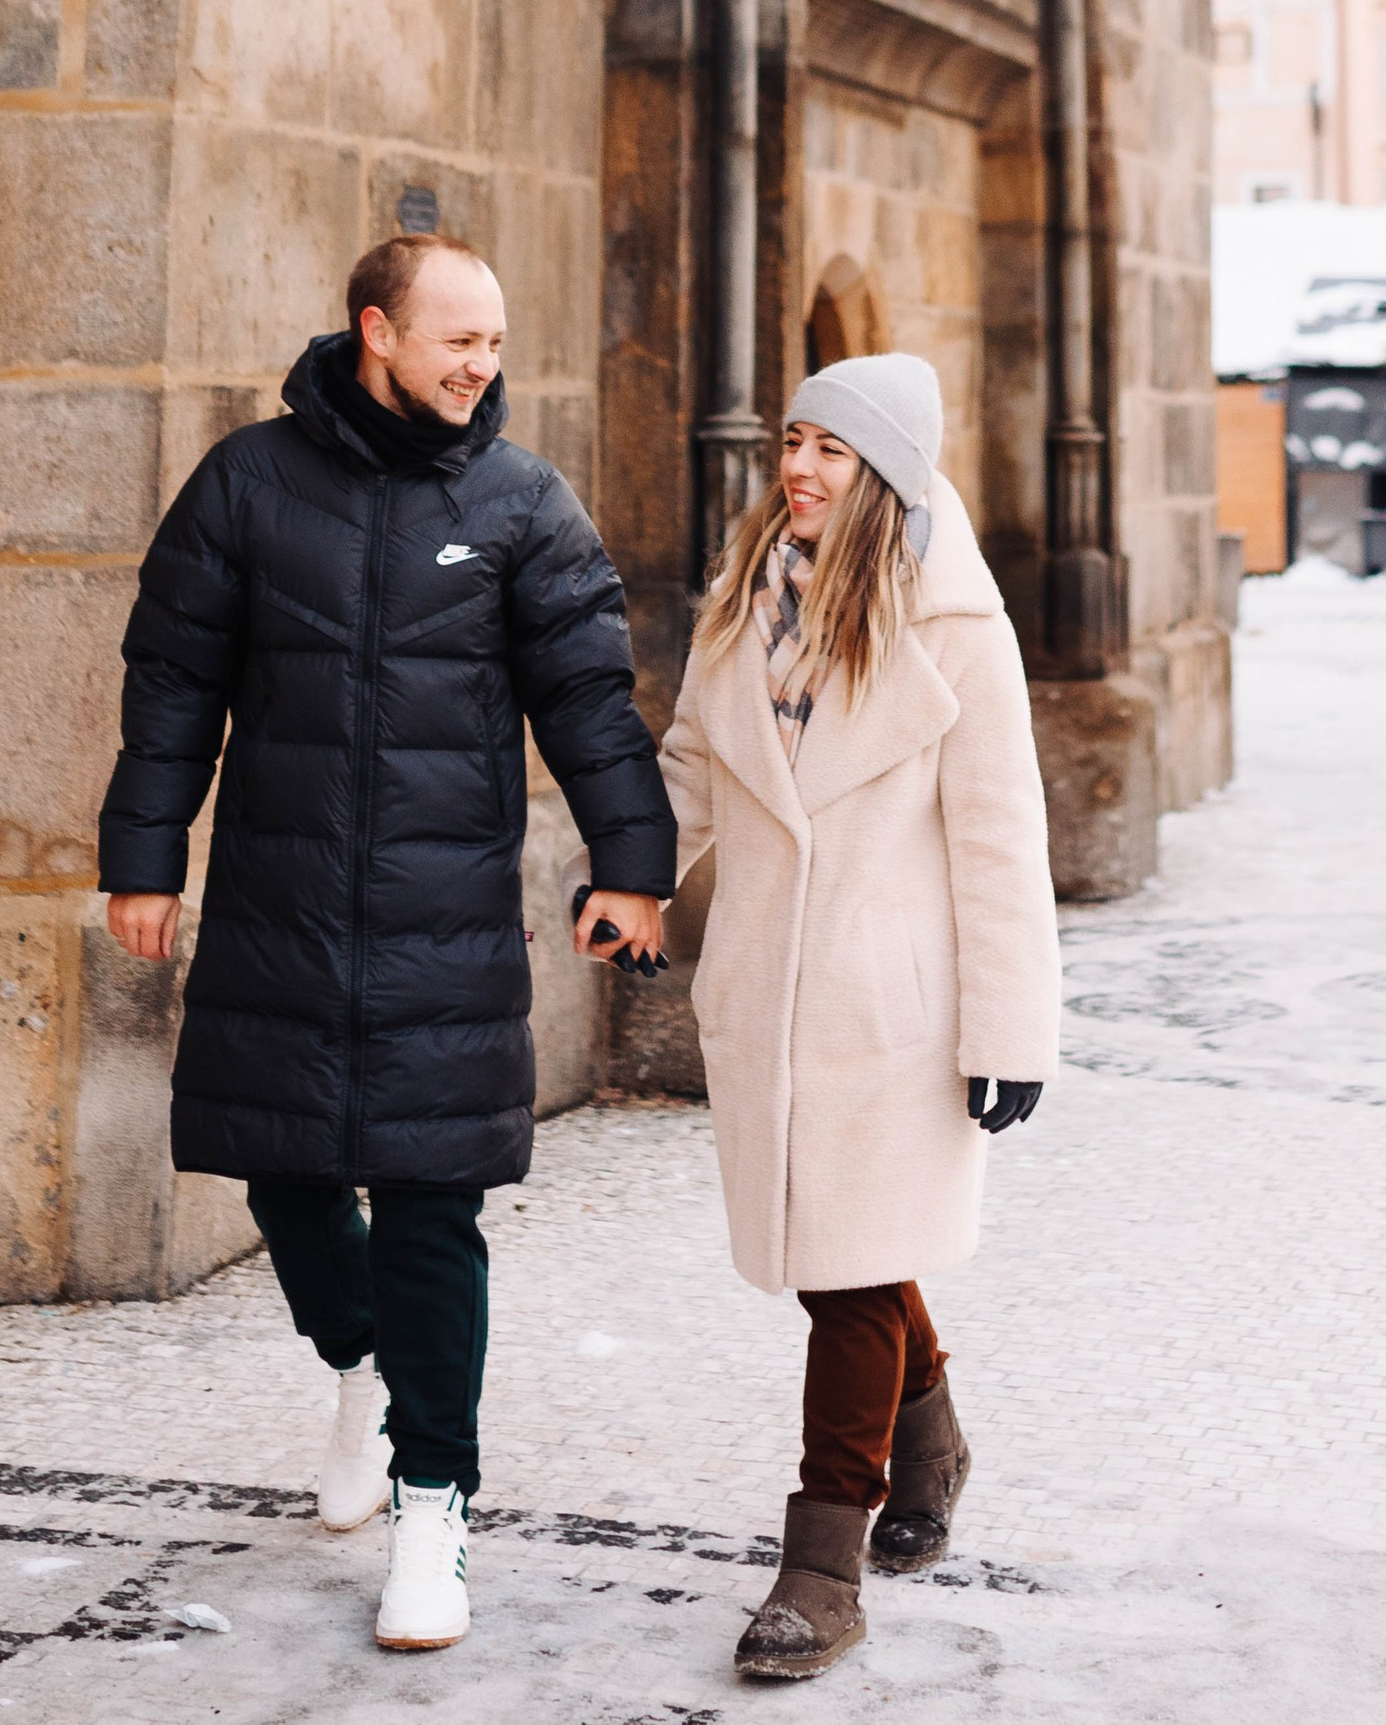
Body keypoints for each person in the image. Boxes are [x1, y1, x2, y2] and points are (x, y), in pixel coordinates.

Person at [97, 235, 675, 1653]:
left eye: (492, 342)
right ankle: (358, 1364)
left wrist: (633, 868)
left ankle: (435, 1507)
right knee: (286, 1176)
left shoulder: (521, 500)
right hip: (281, 905)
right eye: (454, 341)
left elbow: (590, 697)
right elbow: (174, 678)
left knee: (430, 1206)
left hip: (443, 922)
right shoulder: (247, 484)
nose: (481, 366)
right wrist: (144, 858)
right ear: (374, 331)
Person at [660, 355, 1061, 1684]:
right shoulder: (747, 593)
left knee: (843, 1275)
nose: (801, 467)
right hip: (768, 985)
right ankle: (932, 1434)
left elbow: (1001, 835)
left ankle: (821, 1571)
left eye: (833, 448)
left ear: (886, 473)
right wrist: (631, 886)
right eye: (793, 439)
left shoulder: (954, 626)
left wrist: (1011, 1031)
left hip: (891, 1008)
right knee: (851, 1250)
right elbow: (692, 767)